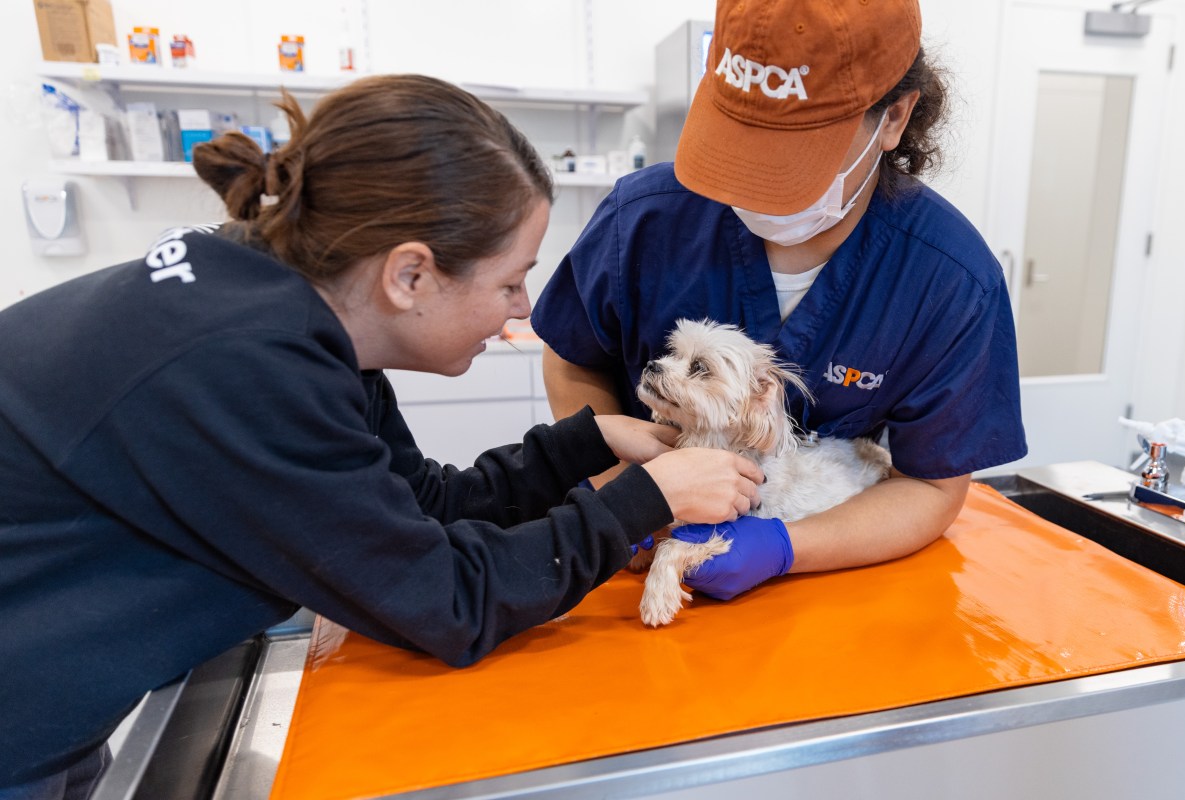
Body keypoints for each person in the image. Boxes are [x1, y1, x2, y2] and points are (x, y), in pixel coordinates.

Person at [0, 74, 766, 796]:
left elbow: (425, 502)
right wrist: (642, 501)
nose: (523, 310)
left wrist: (595, 440)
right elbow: (448, 602)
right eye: (509, 281)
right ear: (410, 276)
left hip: (58, 700)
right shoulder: (243, 367)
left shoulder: (289, 314)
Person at [531, 0, 1028, 600]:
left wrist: (786, 547)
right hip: (625, 564)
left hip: (830, 574)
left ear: (894, 117)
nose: (753, 181)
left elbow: (931, 487)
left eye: (793, 154)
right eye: (739, 141)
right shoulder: (646, 219)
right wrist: (628, 499)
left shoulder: (948, 280)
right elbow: (571, 356)